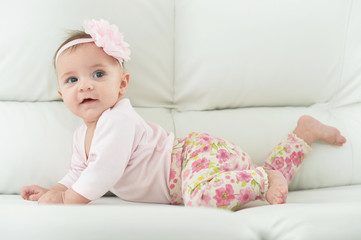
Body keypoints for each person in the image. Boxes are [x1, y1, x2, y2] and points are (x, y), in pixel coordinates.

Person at [21, 19, 346, 211]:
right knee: (218, 186)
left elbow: (103, 171)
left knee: (201, 197)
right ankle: (301, 136)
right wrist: (55, 188)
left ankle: (262, 179)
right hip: (195, 168)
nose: (85, 87)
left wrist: (67, 201)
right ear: (61, 93)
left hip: (190, 158)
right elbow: (80, 170)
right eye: (72, 80)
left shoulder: (117, 119)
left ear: (122, 85)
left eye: (98, 75)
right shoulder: (82, 136)